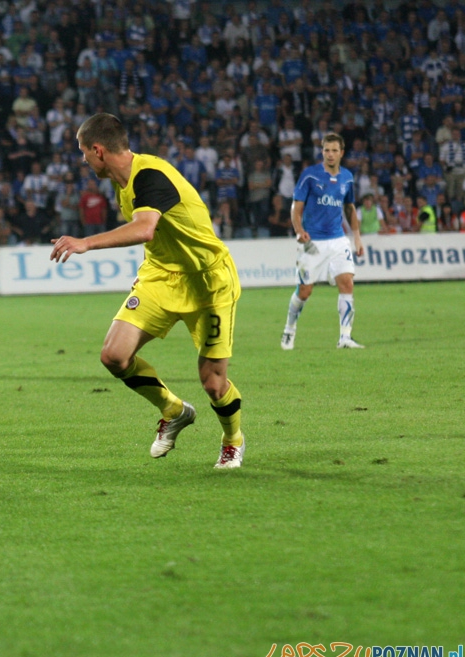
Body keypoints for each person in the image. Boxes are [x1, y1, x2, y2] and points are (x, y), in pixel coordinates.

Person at [49, 113, 246, 470]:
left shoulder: (151, 176)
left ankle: (232, 440)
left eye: (83, 152)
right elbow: (162, 236)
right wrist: (146, 273)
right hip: (161, 277)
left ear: (98, 150)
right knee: (114, 355)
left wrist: (86, 243)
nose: (82, 160)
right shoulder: (120, 180)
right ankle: (174, 411)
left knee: (214, 383)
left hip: (208, 281)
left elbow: (145, 229)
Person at [281, 132, 365, 351]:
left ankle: (345, 337)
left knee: (347, 283)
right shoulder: (310, 176)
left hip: (338, 240)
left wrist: (357, 238)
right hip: (313, 243)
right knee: (304, 292)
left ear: (341, 153)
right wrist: (299, 230)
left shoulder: (347, 177)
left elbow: (349, 207)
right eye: (327, 150)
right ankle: (290, 328)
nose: (330, 154)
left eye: (334, 150)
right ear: (322, 152)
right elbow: (295, 208)